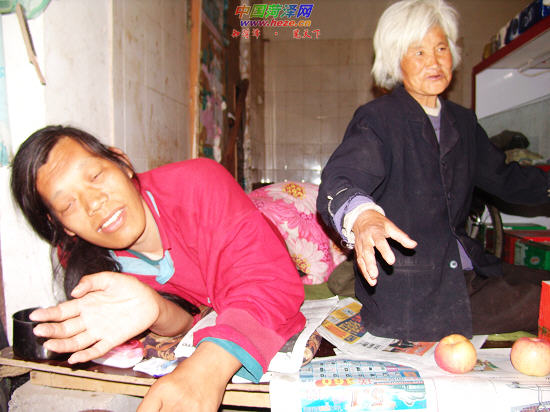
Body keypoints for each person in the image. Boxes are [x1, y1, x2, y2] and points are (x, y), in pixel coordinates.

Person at [10, 125, 306, 411]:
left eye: (95, 176)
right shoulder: (88, 267)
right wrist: (156, 309)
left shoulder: (198, 183)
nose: (94, 203)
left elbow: (266, 281)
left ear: (122, 162)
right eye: (68, 205)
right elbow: (188, 318)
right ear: (63, 226)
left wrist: (206, 370)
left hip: (284, 227)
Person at [317, 0, 550, 342]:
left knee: (542, 281)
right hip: (413, 290)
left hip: (467, 266)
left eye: (441, 48)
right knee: (541, 302)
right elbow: (342, 178)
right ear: (396, 61)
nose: (434, 61)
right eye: (419, 52)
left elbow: (506, 179)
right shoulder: (379, 119)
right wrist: (363, 217)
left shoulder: (463, 122)